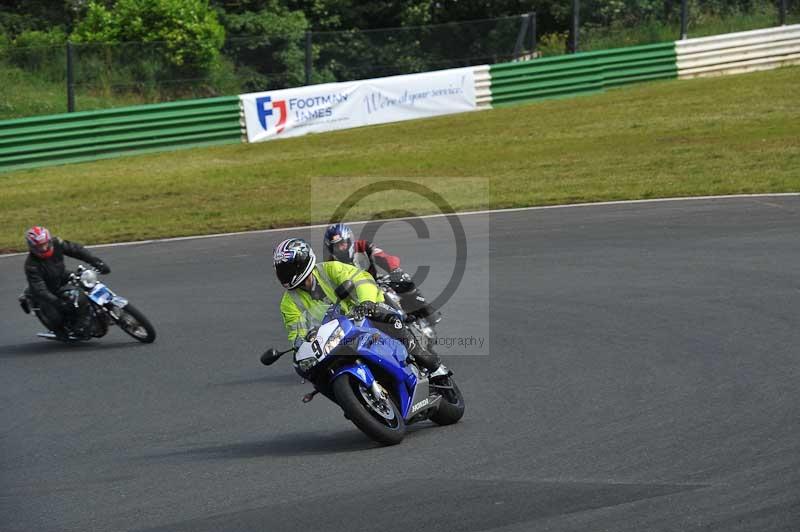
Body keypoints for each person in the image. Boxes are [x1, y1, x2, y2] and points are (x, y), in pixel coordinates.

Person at [273, 237, 443, 374]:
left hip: (365, 311)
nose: (285, 275)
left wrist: (366, 302)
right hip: (338, 335)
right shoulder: (288, 303)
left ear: (302, 263)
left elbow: (361, 280)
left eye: (288, 270)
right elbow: (295, 330)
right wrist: (301, 343)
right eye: (281, 271)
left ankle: (418, 352)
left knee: (386, 319)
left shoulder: (330, 269)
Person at [322, 223, 440, 323]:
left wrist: (394, 269)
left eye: (343, 243)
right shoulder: (330, 265)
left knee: (403, 279)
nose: (341, 248)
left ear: (349, 241)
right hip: (354, 295)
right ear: (331, 249)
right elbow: (328, 286)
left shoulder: (362, 246)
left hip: (376, 282)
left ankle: (426, 310)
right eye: (336, 246)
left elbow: (381, 256)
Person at [22, 226, 110, 339]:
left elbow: (76, 250)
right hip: (48, 290)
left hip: (61, 275)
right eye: (39, 246)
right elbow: (39, 288)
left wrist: (96, 262)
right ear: (32, 247)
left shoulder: (57, 243)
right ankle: (71, 329)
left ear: (49, 241)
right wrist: (56, 301)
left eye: (45, 244)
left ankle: (102, 309)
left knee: (87, 281)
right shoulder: (31, 265)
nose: (44, 248)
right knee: (60, 311)